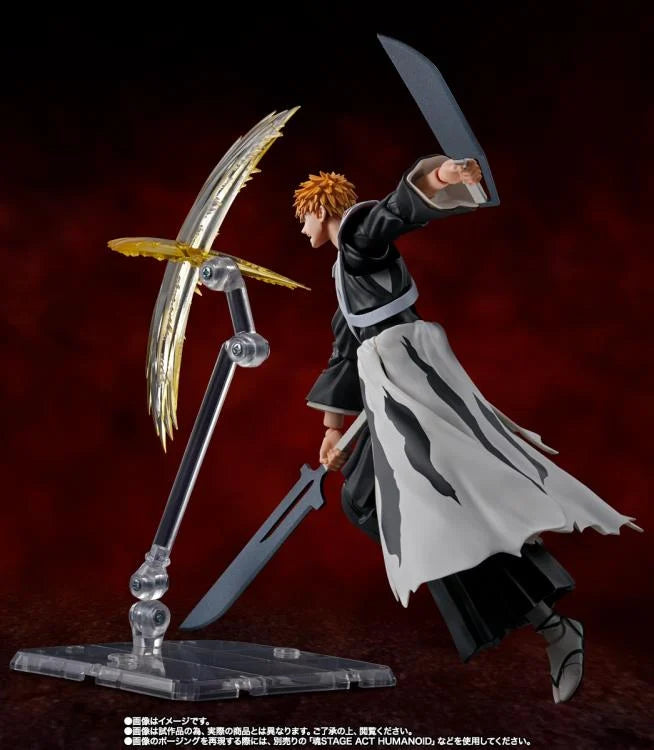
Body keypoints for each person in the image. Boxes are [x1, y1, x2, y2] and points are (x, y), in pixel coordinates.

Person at [292, 155, 640, 704]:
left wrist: (442, 177)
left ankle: (550, 625)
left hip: (416, 392)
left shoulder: (357, 235)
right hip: (395, 394)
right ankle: (545, 620)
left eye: (304, 218)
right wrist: (332, 430)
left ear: (320, 209)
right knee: (375, 506)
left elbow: (391, 213)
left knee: (421, 510)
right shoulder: (347, 275)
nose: (303, 229)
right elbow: (344, 348)